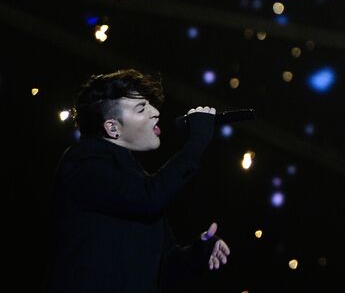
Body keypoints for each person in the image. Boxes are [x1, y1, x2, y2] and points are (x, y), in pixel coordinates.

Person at [51, 69, 232, 291]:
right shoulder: (84, 161)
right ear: (112, 127)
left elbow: (164, 267)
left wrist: (200, 252)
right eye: (141, 108)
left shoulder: (136, 178)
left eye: (150, 105)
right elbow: (149, 198)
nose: (155, 112)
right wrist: (197, 142)